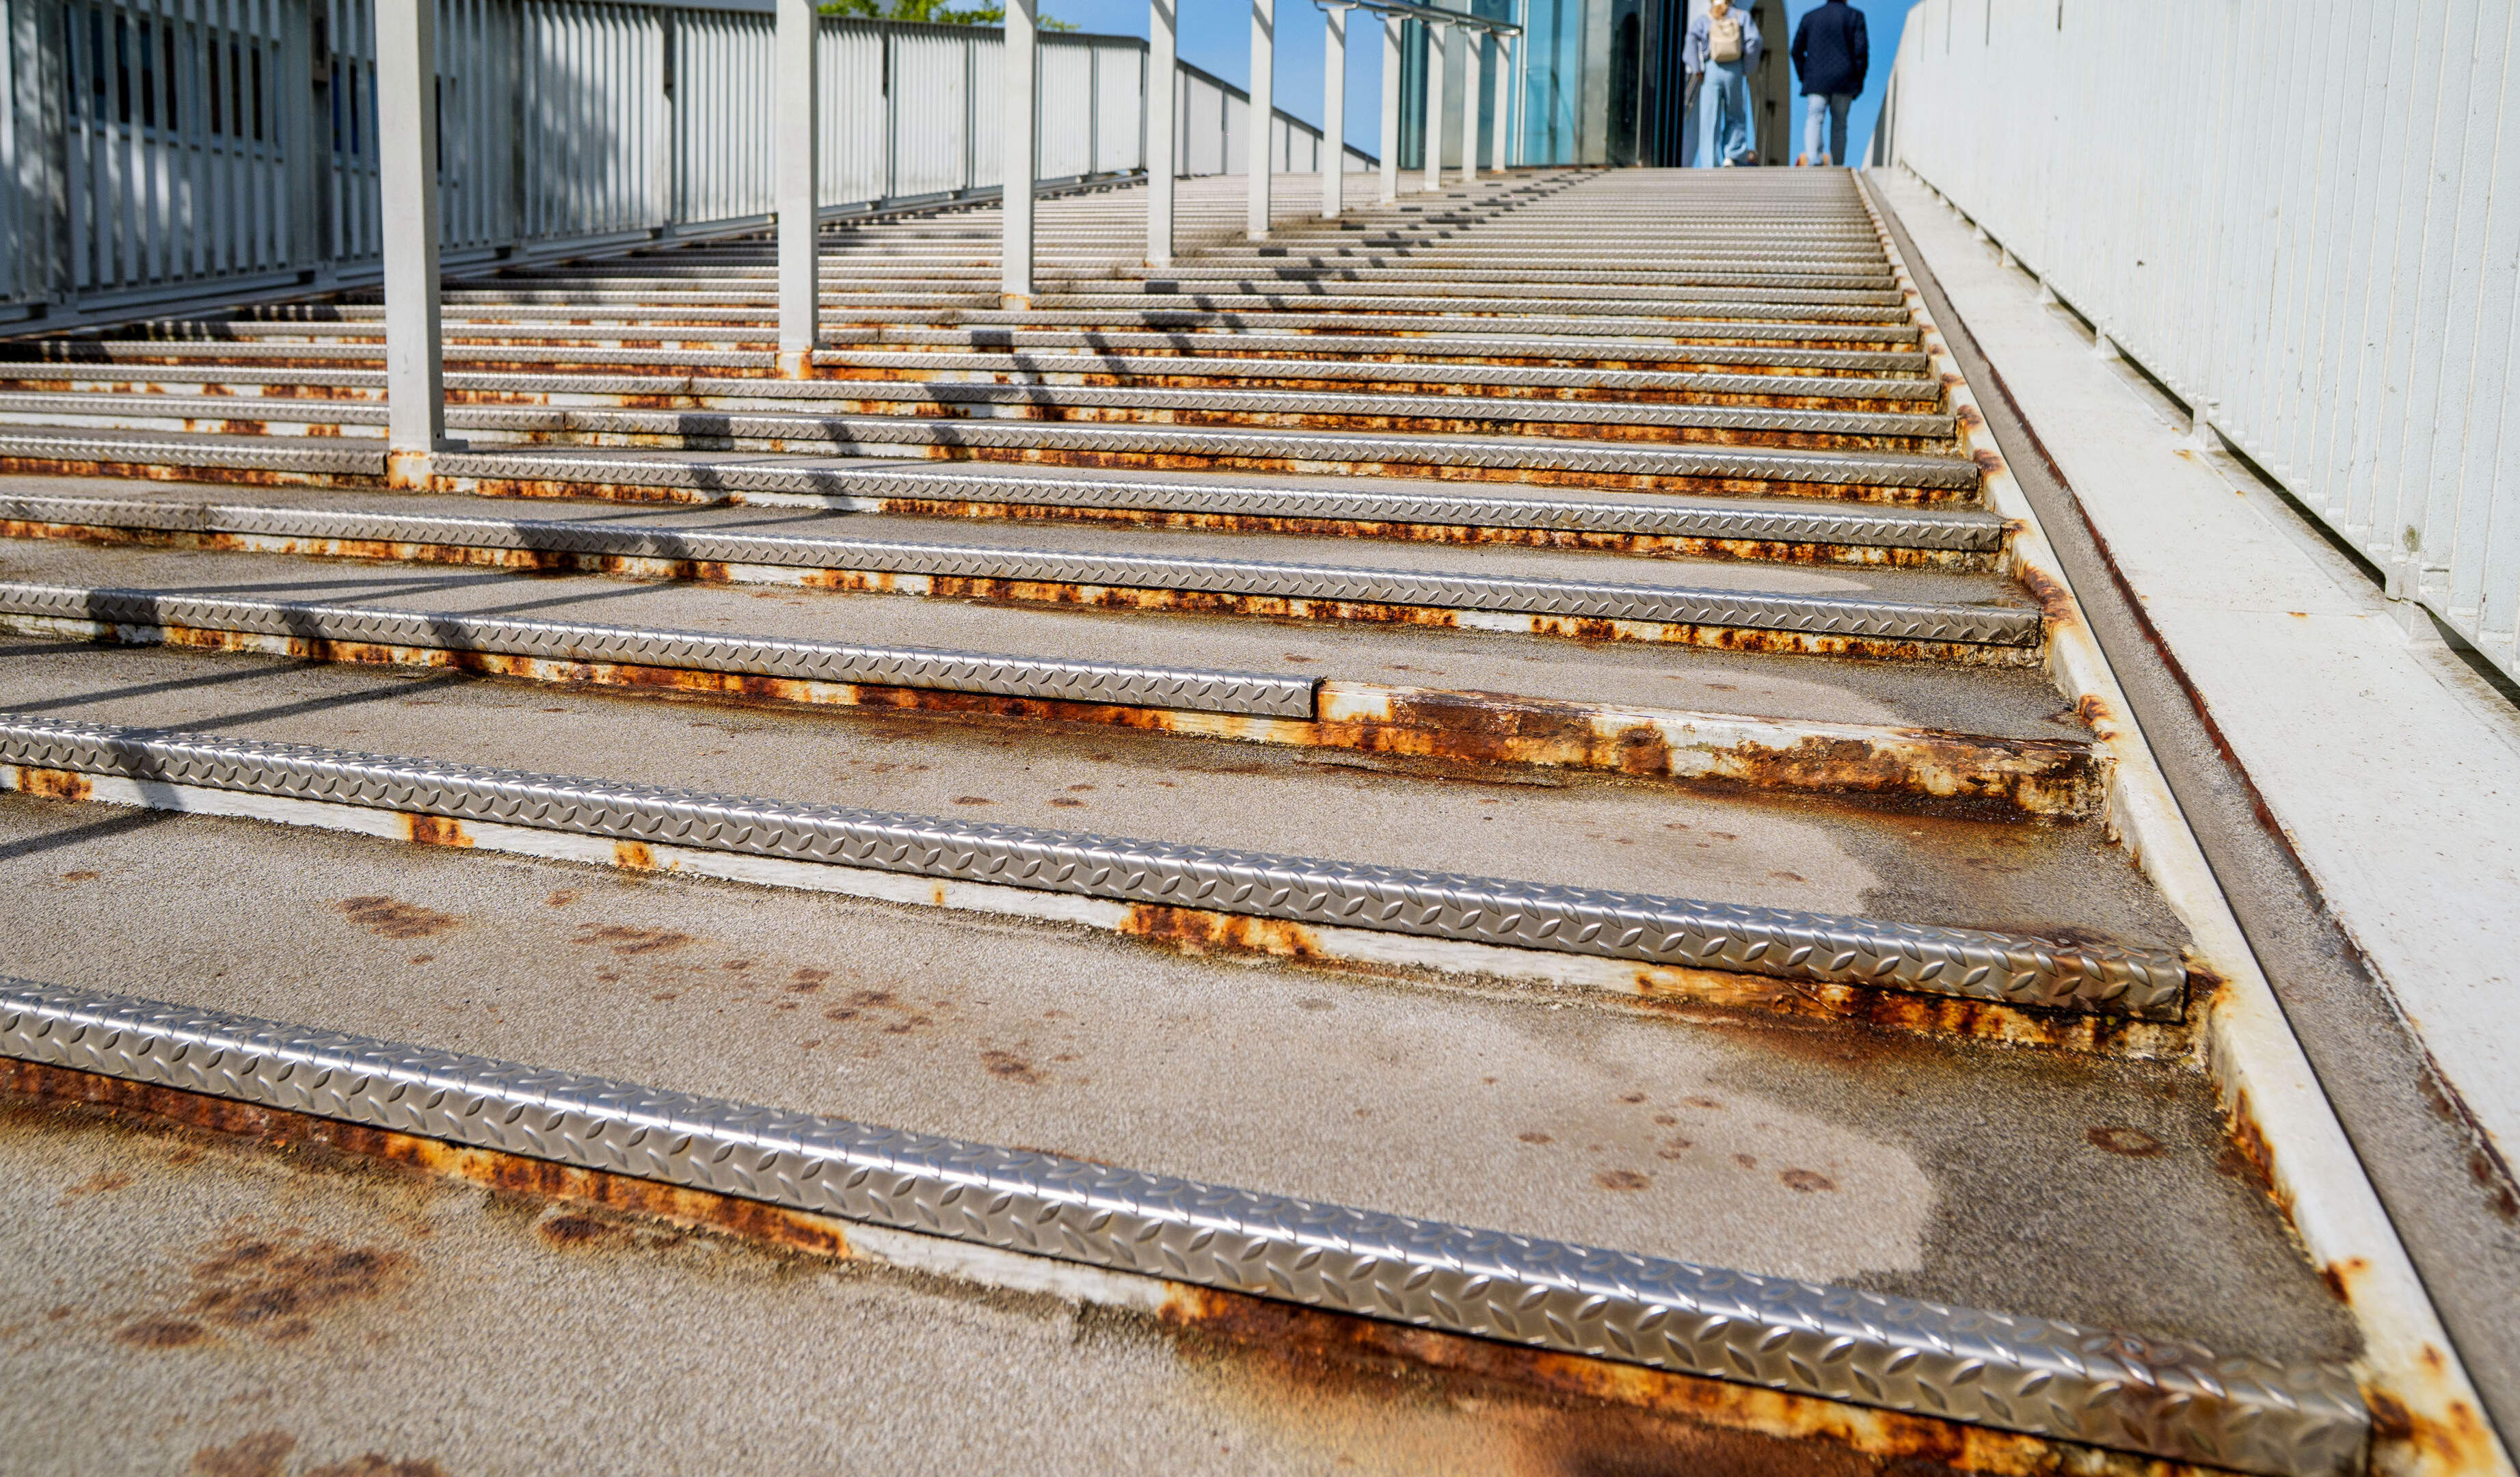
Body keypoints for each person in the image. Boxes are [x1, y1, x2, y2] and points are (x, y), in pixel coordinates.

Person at [1790, 0, 1867, 166]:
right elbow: (1861, 53)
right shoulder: (1855, 16)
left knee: (1814, 117)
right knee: (1840, 123)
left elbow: (1796, 50)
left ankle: (1814, 159)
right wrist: (1858, 81)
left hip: (1816, 83)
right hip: (1845, 82)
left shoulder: (1810, 17)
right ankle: (1837, 165)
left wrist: (1804, 76)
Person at [1686, 0, 1762, 168]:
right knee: (1735, 114)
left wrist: (1696, 68)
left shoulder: (1705, 18)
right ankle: (1732, 155)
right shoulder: (1741, 16)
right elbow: (1755, 40)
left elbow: (1691, 40)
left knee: (1709, 117)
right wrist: (1746, 66)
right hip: (1734, 69)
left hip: (1711, 69)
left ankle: (1709, 162)